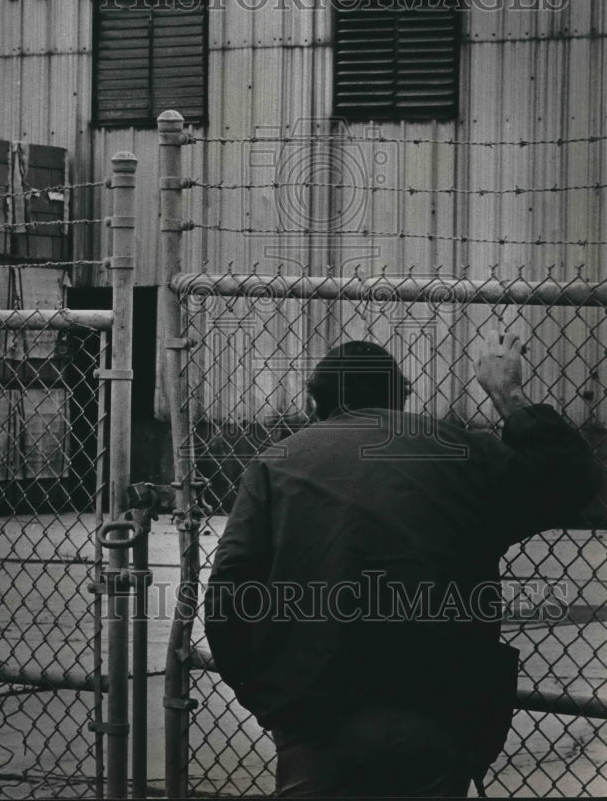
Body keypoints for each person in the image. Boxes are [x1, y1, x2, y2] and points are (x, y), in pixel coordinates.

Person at [204, 331, 600, 798]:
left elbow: (228, 595)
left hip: (315, 710)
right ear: (401, 398)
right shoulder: (464, 451)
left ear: (317, 402)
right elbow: (573, 481)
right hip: (439, 703)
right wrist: (506, 393)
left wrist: (269, 699)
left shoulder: (275, 463)